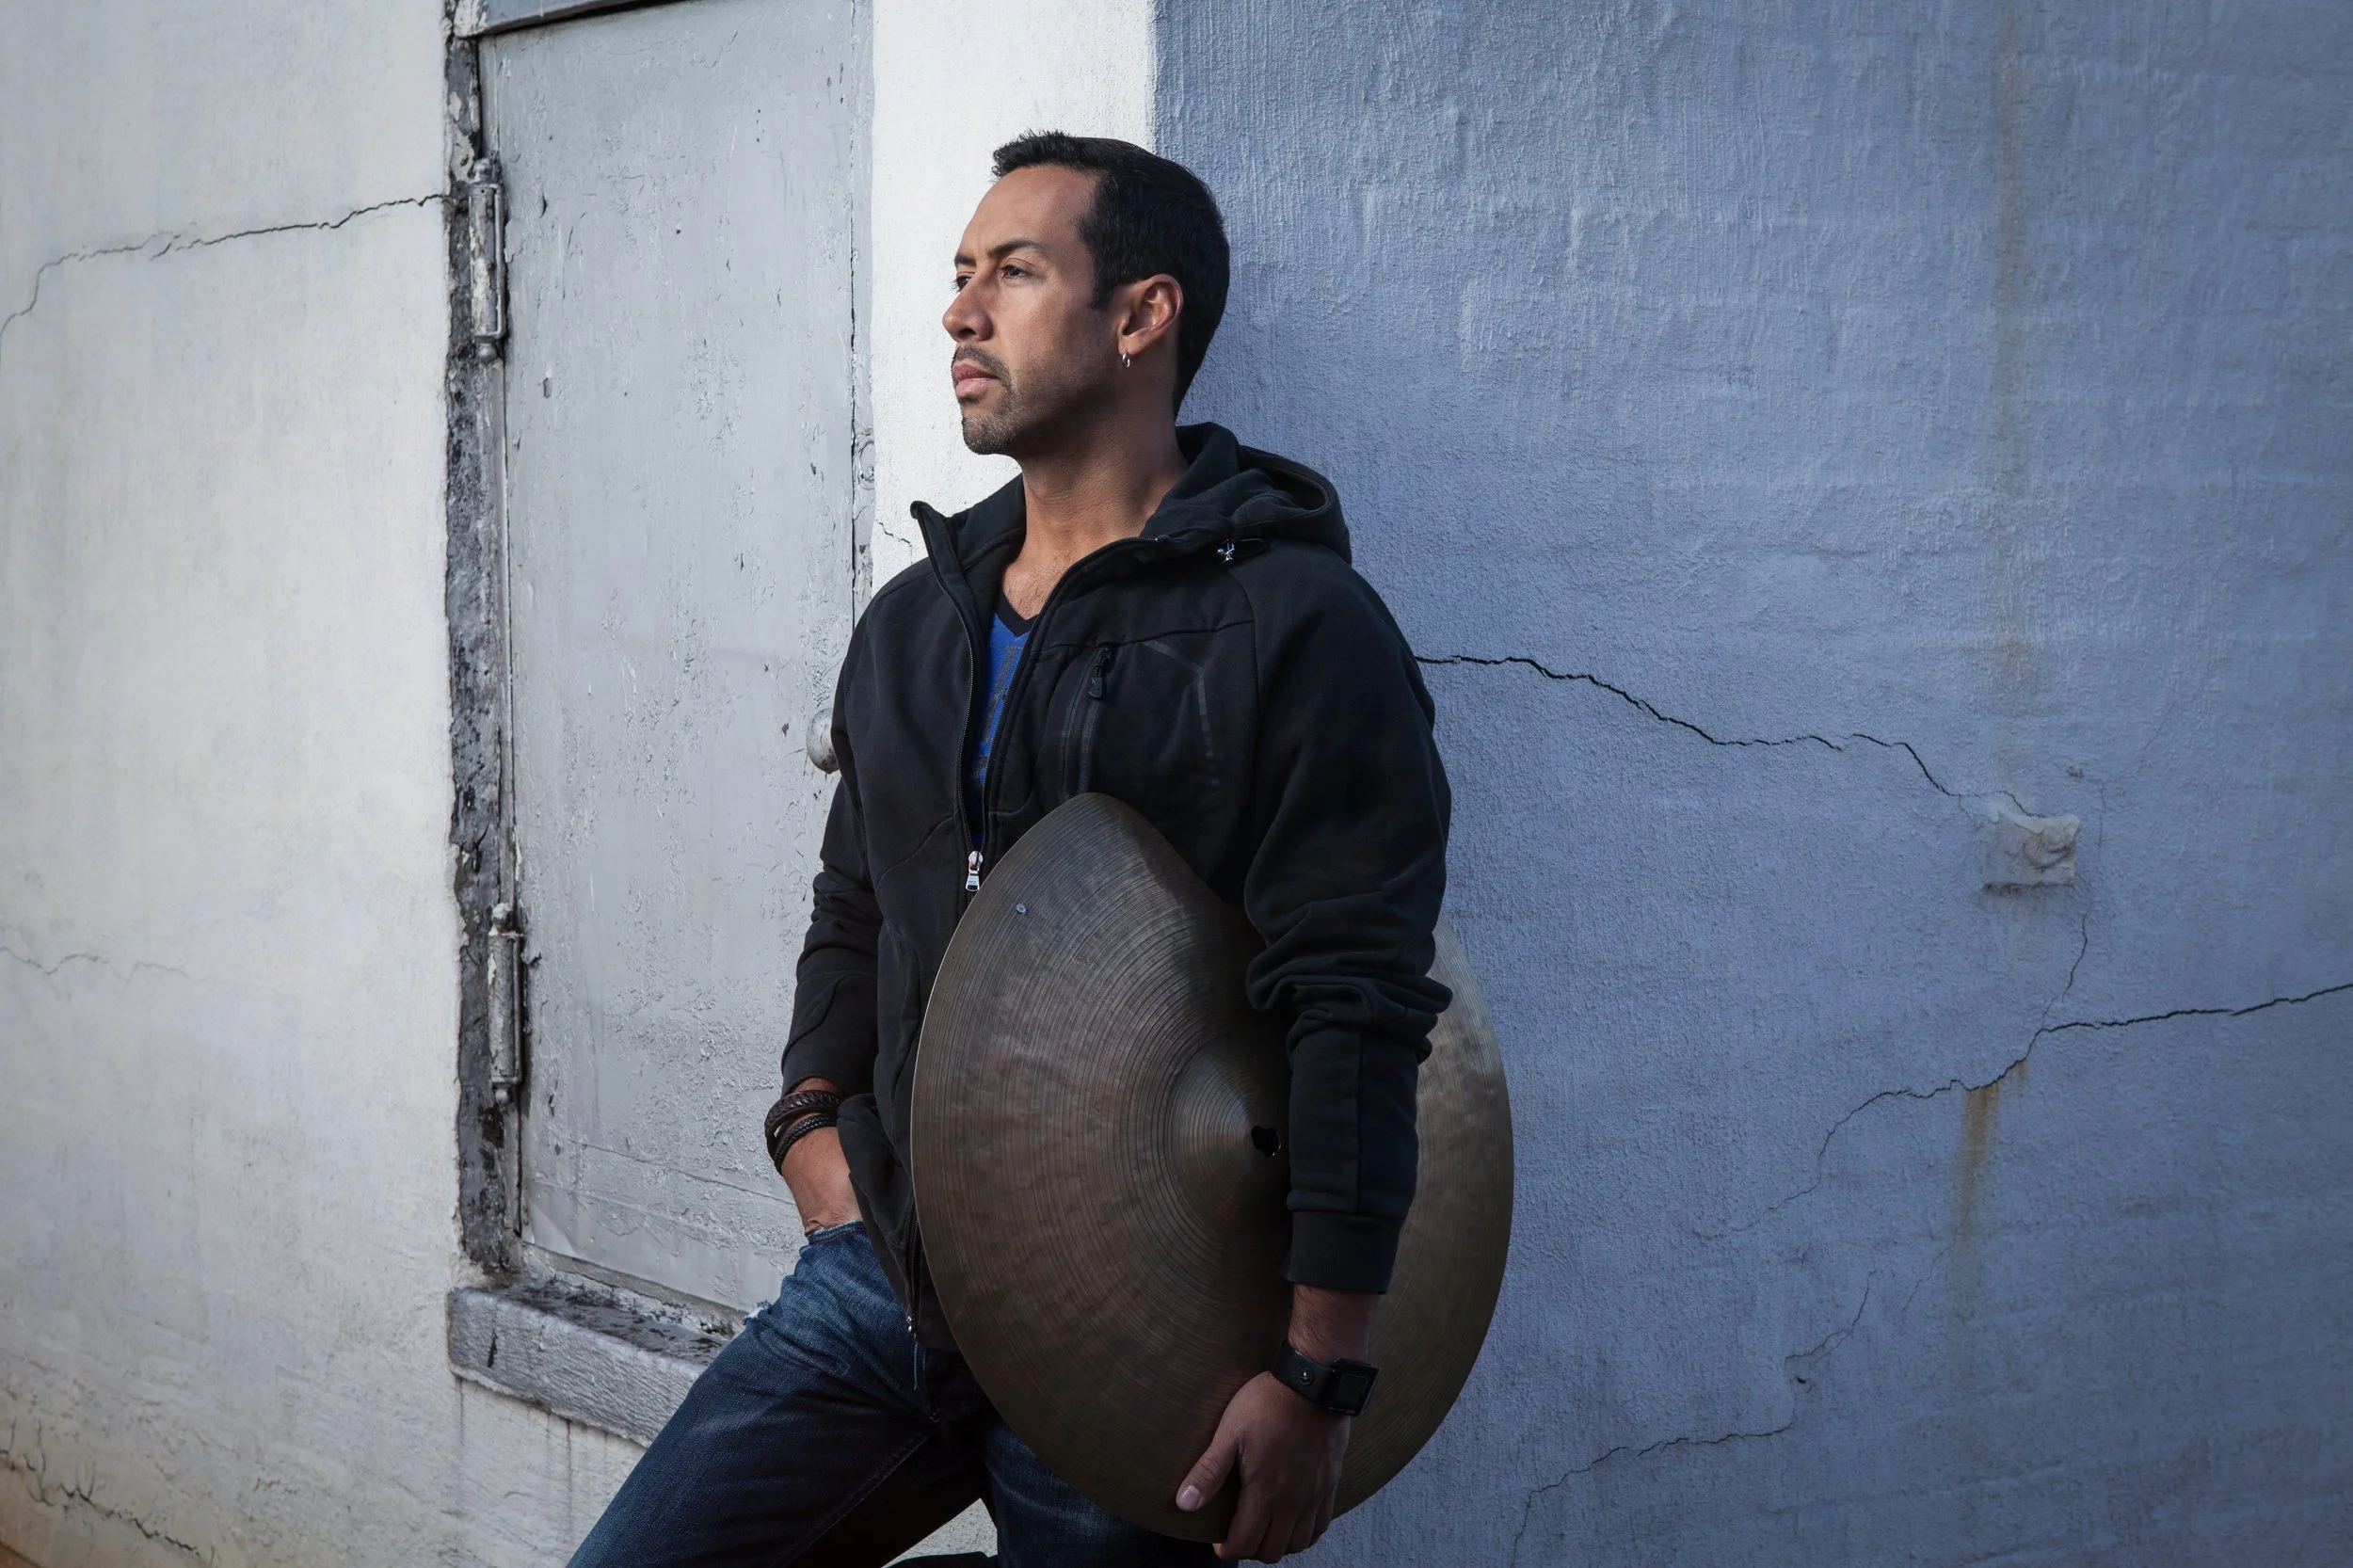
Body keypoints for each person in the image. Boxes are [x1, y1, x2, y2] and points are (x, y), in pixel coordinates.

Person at [569, 132, 1450, 1568]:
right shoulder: (917, 622)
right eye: (959, 275)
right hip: (887, 1284)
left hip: (1141, 1325)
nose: (959, 313)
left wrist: (1321, 1372)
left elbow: (1356, 1001)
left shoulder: (1297, 629)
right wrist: (807, 1116)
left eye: (1015, 271)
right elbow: (857, 897)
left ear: (1141, 315)